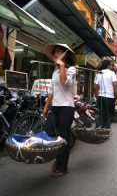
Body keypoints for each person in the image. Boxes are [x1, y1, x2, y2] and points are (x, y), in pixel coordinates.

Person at [42, 43, 77, 177]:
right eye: (54, 52)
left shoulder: (71, 70)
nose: (55, 54)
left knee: (63, 138)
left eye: (58, 51)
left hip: (66, 108)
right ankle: (56, 158)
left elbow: (63, 82)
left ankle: (62, 167)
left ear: (64, 54)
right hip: (55, 108)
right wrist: (46, 107)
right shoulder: (55, 71)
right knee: (47, 131)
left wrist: (62, 65)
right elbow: (51, 91)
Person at [94, 60, 117, 129]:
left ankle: (103, 127)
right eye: (111, 65)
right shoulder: (112, 73)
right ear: (108, 65)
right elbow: (115, 85)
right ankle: (106, 127)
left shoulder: (99, 73)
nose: (111, 67)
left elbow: (95, 87)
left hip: (100, 97)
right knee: (111, 114)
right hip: (110, 97)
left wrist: (97, 97)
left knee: (103, 114)